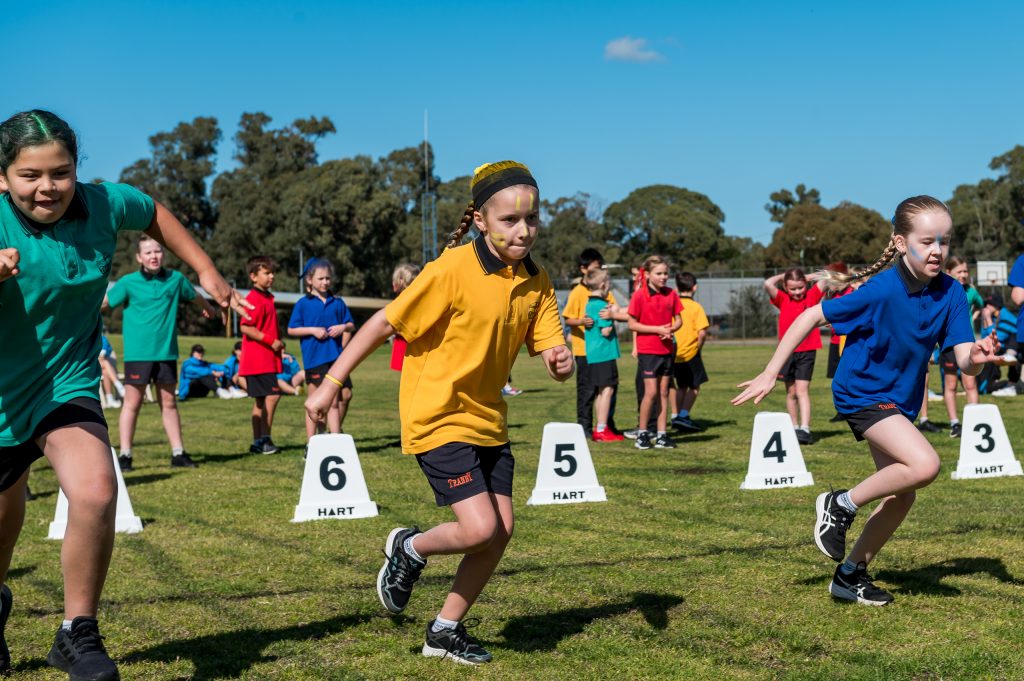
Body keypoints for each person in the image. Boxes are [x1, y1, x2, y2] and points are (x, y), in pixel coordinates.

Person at [0, 109, 247, 680]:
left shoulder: (105, 203)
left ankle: (76, 631)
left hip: (66, 382)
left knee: (95, 488)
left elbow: (154, 212)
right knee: (1, 523)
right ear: (3, 177)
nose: (47, 188)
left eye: (60, 172)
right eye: (29, 175)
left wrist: (205, 269)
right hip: (0, 397)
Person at [305, 161, 572, 665]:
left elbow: (556, 357)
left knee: (501, 532)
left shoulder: (536, 281)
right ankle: (410, 548)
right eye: (510, 220)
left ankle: (444, 629)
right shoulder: (449, 270)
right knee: (478, 529)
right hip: (437, 415)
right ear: (480, 221)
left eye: (531, 219)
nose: (523, 230)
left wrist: (563, 361)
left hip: (488, 420)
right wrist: (330, 385)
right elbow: (382, 323)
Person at [733, 195, 1000, 606]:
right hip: (861, 392)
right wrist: (771, 372)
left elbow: (964, 360)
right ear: (899, 243)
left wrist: (977, 359)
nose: (937, 251)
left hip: (899, 402)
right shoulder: (880, 289)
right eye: (927, 241)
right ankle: (839, 503)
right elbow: (810, 317)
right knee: (925, 464)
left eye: (943, 242)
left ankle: (850, 574)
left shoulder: (951, 293)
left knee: (903, 493)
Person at [104, 234, 216, 470]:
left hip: (166, 354)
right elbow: (104, 303)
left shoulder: (175, 279)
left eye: (157, 251)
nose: (154, 256)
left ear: (163, 254)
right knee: (132, 403)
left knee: (169, 402)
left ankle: (178, 453)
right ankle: (125, 455)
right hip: (138, 355)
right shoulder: (127, 282)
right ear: (139, 257)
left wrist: (207, 307)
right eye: (148, 252)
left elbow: (194, 295)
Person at [287, 258, 355, 436]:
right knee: (314, 401)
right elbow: (291, 329)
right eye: (321, 278)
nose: (325, 282)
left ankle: (334, 437)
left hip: (336, 359)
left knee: (335, 400)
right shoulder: (303, 303)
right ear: (310, 280)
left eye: (328, 278)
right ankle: (311, 443)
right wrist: (312, 330)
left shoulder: (337, 302)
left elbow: (350, 325)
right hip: (314, 360)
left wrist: (343, 327)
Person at [562, 248, 623, 437]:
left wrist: (614, 312)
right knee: (587, 391)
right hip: (583, 351)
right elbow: (568, 319)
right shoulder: (577, 292)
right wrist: (582, 321)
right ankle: (585, 428)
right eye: (595, 268)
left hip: (602, 350)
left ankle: (606, 425)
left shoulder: (603, 294)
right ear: (583, 269)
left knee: (607, 389)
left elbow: (613, 308)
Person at [763, 268, 827, 445]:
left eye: (800, 288)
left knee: (801, 390)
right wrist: (785, 277)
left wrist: (808, 278)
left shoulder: (812, 296)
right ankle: (794, 427)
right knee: (791, 392)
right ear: (785, 287)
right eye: (793, 289)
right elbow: (768, 283)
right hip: (787, 353)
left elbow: (828, 276)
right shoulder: (782, 299)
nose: (798, 292)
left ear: (805, 285)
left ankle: (805, 429)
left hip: (807, 350)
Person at [628, 255, 682, 450]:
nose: (663, 277)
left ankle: (662, 435)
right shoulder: (639, 295)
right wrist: (657, 329)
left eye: (666, 273)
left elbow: (678, 319)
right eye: (659, 273)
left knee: (663, 392)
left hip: (667, 350)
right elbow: (632, 323)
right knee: (650, 392)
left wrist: (671, 329)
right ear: (648, 274)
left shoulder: (672, 294)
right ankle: (642, 434)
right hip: (648, 351)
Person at [240, 256, 285, 454]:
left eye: (272, 272)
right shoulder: (254, 299)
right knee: (273, 396)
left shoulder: (267, 297)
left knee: (260, 400)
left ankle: (257, 442)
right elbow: (246, 327)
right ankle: (265, 440)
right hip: (258, 360)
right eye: (266, 273)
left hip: (265, 359)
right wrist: (271, 341)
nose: (271, 276)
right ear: (253, 276)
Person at [939, 256, 985, 437]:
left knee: (970, 384)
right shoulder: (942, 292)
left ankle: (975, 424)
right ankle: (955, 424)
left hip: (968, 344)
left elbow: (982, 306)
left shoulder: (971, 292)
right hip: (949, 345)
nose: (964, 275)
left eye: (966, 271)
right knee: (950, 386)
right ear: (948, 272)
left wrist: (975, 317)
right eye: (960, 271)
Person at [583, 268, 623, 441]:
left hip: (592, 353)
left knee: (600, 391)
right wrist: (613, 317)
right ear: (603, 285)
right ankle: (602, 428)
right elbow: (606, 331)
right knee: (607, 390)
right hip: (604, 353)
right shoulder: (602, 305)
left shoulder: (589, 304)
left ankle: (599, 427)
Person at [669, 272, 709, 433]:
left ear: (676, 288)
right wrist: (698, 348)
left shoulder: (673, 305)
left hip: (675, 353)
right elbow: (702, 333)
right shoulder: (696, 307)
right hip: (691, 353)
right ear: (695, 287)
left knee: (681, 386)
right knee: (694, 386)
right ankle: (684, 415)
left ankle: (675, 415)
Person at [389, 263, 420, 372]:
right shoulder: (417, 301)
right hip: (405, 345)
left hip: (406, 346)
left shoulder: (402, 303)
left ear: (400, 282)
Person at [98, 335, 124, 409]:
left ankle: (110, 400)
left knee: (105, 371)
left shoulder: (102, 338)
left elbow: (107, 349)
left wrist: (102, 354)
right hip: (93, 366)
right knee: (105, 363)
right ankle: (119, 386)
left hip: (103, 366)